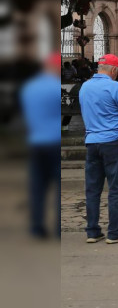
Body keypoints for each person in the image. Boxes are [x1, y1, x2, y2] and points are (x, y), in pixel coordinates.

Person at [78, 54, 118, 244]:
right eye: (117, 71)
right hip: (113, 142)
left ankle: (93, 231)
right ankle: (115, 231)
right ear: (114, 70)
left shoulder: (85, 87)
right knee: (116, 188)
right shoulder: (115, 87)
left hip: (92, 142)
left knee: (92, 189)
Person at [20, 52, 62, 239]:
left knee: (37, 186)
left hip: (35, 141)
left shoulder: (28, 87)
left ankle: (37, 227)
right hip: (53, 141)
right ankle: (57, 229)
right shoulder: (55, 87)